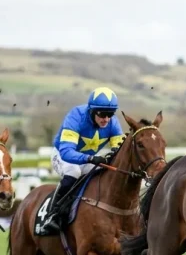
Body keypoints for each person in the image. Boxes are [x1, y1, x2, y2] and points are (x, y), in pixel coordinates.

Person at [36, 87, 126, 235]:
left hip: (87, 159)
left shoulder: (113, 123)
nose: (106, 119)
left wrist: (113, 155)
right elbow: (66, 152)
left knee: (108, 172)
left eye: (110, 114)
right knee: (74, 171)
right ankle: (53, 215)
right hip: (63, 155)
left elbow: (119, 149)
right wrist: (89, 158)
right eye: (102, 114)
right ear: (92, 111)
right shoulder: (76, 117)